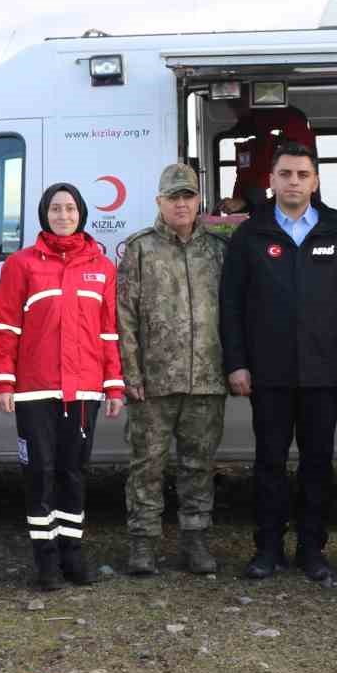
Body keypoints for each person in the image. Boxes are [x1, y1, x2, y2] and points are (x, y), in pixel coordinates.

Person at [220, 142, 337, 585]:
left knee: (317, 464)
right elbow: (231, 304)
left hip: (324, 373)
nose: (293, 182)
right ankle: (267, 549)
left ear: (315, 181)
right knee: (268, 463)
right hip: (267, 373)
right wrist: (237, 363)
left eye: (303, 175)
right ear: (271, 181)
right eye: (285, 174)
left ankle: (312, 550)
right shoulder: (251, 233)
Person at [0, 183, 124, 590]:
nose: (63, 215)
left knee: (73, 473)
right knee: (39, 473)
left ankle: (72, 553)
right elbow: (6, 326)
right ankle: (45, 560)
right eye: (55, 208)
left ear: (81, 213)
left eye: (69, 208)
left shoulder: (101, 267)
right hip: (34, 391)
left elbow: (108, 332)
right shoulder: (21, 264)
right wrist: (3, 380)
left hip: (83, 391)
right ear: (43, 214)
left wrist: (114, 384)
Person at [116, 164, 229, 576]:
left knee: (199, 466)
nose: (181, 204)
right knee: (146, 467)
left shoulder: (217, 251)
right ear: (159, 202)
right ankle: (143, 545)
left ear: (198, 201)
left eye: (188, 197)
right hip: (154, 383)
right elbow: (123, 317)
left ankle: (196, 542)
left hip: (206, 379)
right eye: (173, 197)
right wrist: (132, 374)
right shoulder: (139, 250)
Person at [218, 104, 317, 213]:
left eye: (237, 100)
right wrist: (237, 206)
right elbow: (245, 177)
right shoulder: (244, 130)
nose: (232, 105)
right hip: (257, 214)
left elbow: (291, 181)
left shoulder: (289, 122)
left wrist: (245, 202)